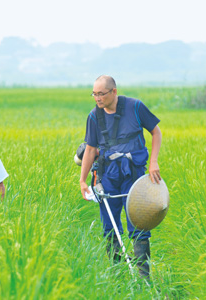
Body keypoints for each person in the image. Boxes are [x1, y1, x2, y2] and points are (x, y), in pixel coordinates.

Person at [78, 75, 163, 279]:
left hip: (133, 174)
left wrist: (153, 162)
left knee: (138, 220)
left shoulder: (135, 107)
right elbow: (90, 149)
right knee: (110, 225)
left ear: (113, 92)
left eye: (101, 94)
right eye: (94, 94)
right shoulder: (93, 116)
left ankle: (144, 277)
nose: (97, 98)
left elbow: (156, 132)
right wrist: (82, 180)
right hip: (107, 176)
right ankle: (117, 276)